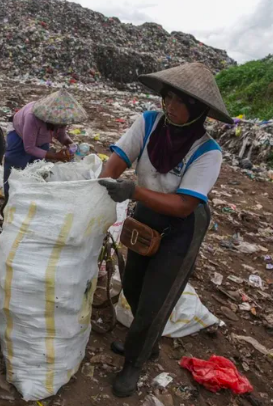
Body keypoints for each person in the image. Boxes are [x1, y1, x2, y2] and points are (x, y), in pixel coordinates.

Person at [98, 63, 233, 398]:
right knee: (133, 284)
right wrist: (102, 182)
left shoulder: (207, 152)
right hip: (146, 212)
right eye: (167, 97)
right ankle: (147, 344)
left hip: (182, 226)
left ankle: (134, 362)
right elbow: (118, 158)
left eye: (178, 101)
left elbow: (184, 205)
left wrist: (132, 191)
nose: (169, 105)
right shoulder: (147, 123)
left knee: (156, 297)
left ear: (198, 109)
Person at [3, 89, 87, 200]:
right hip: (19, 137)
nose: (62, 125)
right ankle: (10, 201)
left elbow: (61, 134)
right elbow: (29, 147)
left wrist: (69, 143)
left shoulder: (60, 119)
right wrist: (56, 156)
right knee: (15, 171)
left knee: (39, 170)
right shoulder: (32, 117)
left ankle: (31, 199)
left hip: (42, 140)